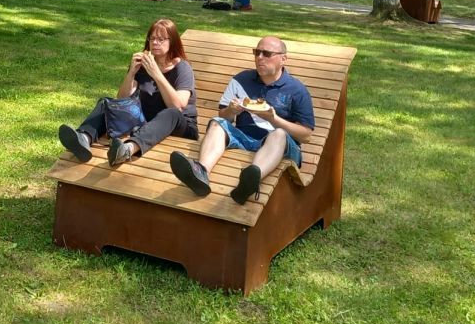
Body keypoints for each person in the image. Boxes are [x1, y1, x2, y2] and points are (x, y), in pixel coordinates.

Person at [169, 36, 314, 205]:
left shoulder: (296, 90)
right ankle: (201, 173)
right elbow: (224, 117)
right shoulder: (241, 80)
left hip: (280, 146)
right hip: (244, 138)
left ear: (283, 59)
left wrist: (274, 119)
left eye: (266, 53)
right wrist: (231, 110)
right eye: (257, 52)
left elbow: (306, 135)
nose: (259, 57)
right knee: (217, 123)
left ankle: (252, 179)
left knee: (279, 134)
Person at [58, 18, 198, 167]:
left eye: (161, 39)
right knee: (107, 103)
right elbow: (122, 99)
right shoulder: (145, 64)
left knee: (171, 113)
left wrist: (156, 74)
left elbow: (178, 106)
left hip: (180, 126)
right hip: (147, 121)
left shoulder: (182, 68)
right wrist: (132, 72)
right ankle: (83, 139)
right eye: (152, 39)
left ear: (172, 41)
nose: (155, 43)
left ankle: (127, 150)